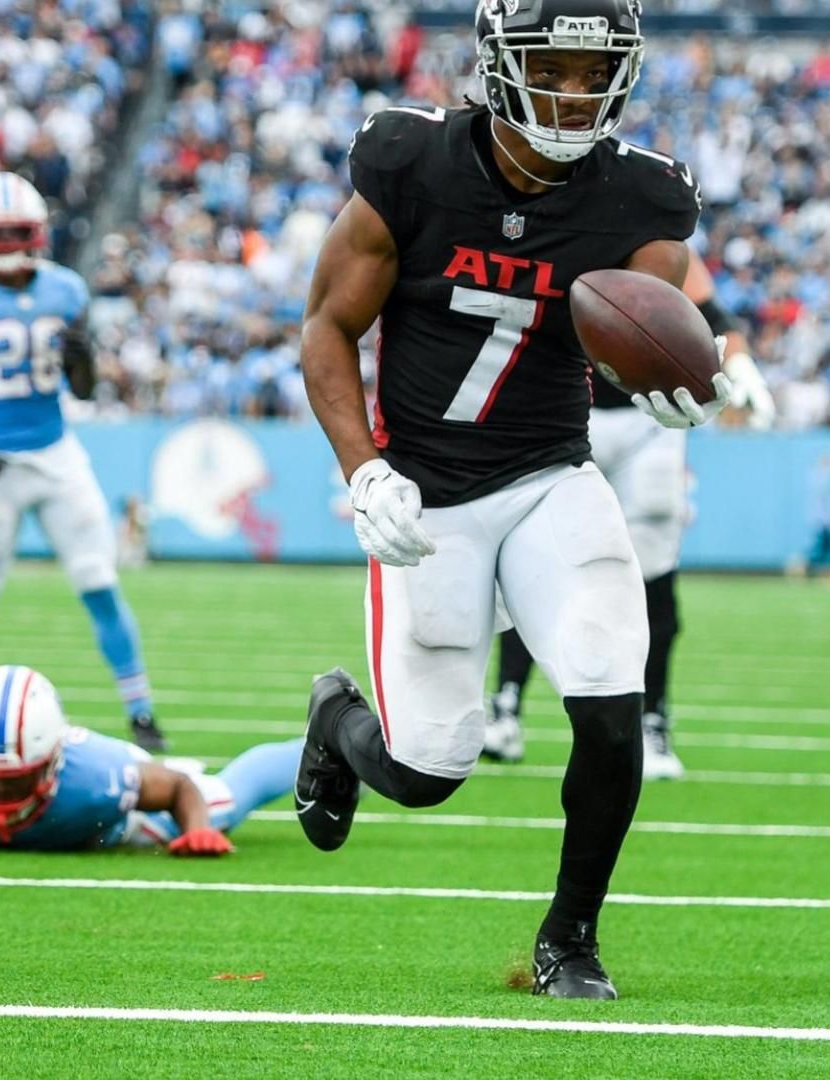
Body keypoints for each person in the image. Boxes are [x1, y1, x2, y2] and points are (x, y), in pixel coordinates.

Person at [292, 0, 727, 1001]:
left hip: (547, 475)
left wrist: (694, 376)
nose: (574, 91)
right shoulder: (412, 165)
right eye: (553, 67)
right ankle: (336, 721)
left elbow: (662, 319)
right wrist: (363, 470)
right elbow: (326, 328)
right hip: (425, 492)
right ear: (497, 60)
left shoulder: (639, 197)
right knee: (428, 769)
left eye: (593, 71)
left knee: (612, 694)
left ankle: (568, 940)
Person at [483, 256, 775, 779]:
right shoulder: (557, 215)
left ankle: (653, 721)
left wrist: (741, 366)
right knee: (532, 555)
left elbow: (712, 312)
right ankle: (506, 707)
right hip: (563, 409)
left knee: (654, 571)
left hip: (650, 417)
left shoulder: (648, 210)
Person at [0, 172, 167, 752]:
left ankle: (142, 714)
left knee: (100, 581)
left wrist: (85, 362)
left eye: (17, 233)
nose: (8, 245)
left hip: (56, 456)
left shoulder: (65, 292)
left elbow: (81, 389)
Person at [0, 666, 299, 853]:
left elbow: (177, 788)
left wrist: (198, 830)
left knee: (225, 798)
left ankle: (333, 750)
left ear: (50, 763)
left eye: (15, 781)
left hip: (121, 821)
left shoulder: (100, 778)